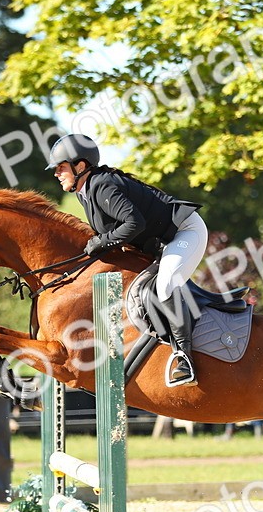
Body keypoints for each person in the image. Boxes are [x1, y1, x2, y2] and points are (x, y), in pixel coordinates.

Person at [48, 133, 209, 387]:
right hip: (159, 240)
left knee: (165, 284)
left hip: (184, 232)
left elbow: (134, 223)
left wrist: (102, 241)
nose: (57, 174)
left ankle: (184, 358)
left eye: (61, 168)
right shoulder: (84, 192)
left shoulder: (101, 186)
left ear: (80, 166)